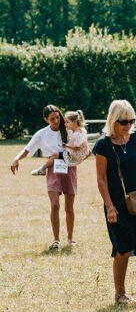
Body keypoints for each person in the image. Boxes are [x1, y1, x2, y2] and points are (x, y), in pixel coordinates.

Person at [93, 100, 136, 304]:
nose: (128, 125)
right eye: (124, 122)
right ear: (113, 121)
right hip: (117, 204)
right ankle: (120, 292)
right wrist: (109, 206)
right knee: (123, 248)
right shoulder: (103, 145)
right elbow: (101, 178)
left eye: (132, 120)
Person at [10, 105, 78, 250]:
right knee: (54, 204)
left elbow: (79, 146)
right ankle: (56, 240)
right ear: (46, 119)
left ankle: (70, 238)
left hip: (69, 167)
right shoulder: (41, 134)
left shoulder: (67, 129)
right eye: (52, 119)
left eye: (57, 117)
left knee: (69, 207)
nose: (56, 121)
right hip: (52, 168)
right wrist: (16, 159)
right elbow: (27, 149)